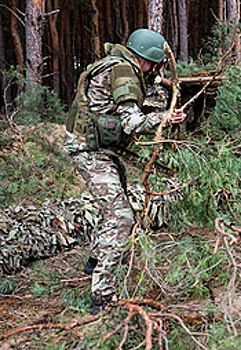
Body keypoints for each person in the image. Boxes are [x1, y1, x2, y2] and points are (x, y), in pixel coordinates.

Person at [64, 28, 186, 314]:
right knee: (121, 217)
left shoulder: (122, 66)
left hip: (100, 147)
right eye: (157, 66)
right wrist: (164, 118)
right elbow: (131, 123)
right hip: (90, 150)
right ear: (150, 60)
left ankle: (94, 260)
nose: (157, 72)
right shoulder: (124, 72)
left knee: (113, 208)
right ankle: (102, 298)